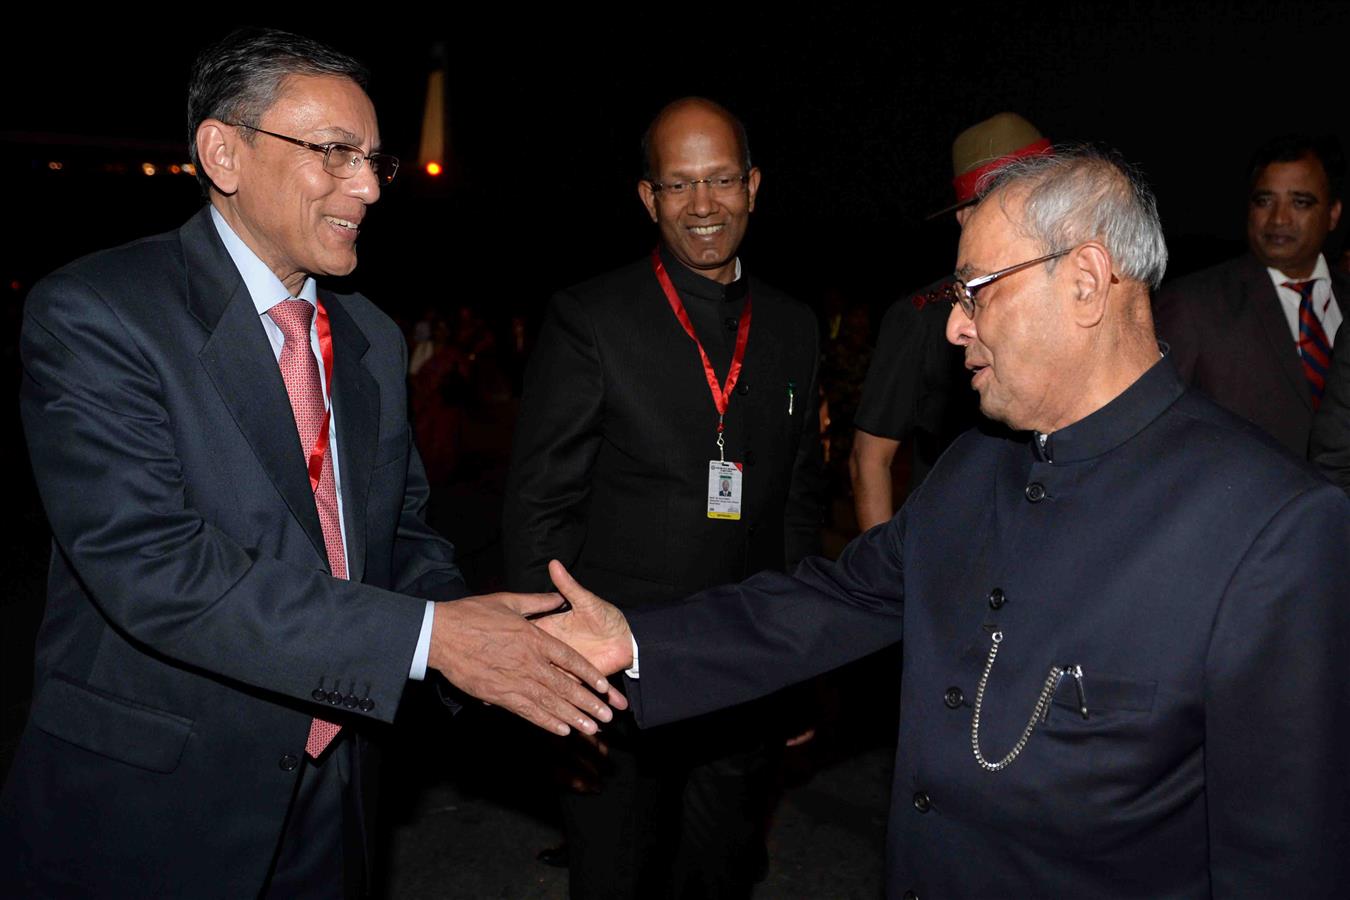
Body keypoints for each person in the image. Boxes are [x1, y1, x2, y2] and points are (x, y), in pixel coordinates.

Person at [537, 146, 1350, 898]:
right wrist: (636, 644)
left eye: (976, 290)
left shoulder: (1271, 527)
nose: (957, 324)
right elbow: (835, 601)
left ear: (1087, 281)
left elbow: (1284, 861)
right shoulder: (973, 467)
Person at [1, 28, 620, 898]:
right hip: (155, 807)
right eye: (333, 153)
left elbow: (395, 537)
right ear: (224, 151)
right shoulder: (101, 314)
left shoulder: (367, 337)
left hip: (337, 799)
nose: (366, 187)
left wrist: (500, 651)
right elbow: (153, 566)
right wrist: (434, 640)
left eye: (373, 160)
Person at [503, 97, 824, 898]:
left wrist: (800, 660)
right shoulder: (591, 318)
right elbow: (540, 510)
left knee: (719, 878)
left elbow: (796, 503)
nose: (704, 205)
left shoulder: (793, 326)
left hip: (743, 676)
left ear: (753, 186)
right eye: (680, 186)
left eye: (721, 180)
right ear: (648, 199)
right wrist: (551, 684)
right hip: (616, 685)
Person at [850, 112, 1050, 530]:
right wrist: (889, 588)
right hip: (949, 549)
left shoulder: (1066, 298)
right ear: (965, 217)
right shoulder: (922, 319)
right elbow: (870, 459)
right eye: (1004, 195)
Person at [1153, 134, 1347, 457]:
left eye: (1300, 202)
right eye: (1264, 201)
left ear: (1333, 214)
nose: (1279, 218)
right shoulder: (1192, 304)